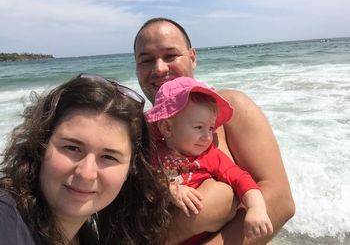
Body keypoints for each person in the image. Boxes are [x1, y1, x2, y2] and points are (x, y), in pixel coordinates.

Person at [134, 17, 295, 244]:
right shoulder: (133, 130)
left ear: (192, 58)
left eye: (171, 56)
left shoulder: (233, 108)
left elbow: (280, 201)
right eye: (146, 60)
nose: (159, 68)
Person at [0, 73, 170, 245]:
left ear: (131, 170)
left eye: (108, 157)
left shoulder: (90, 236)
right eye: (72, 148)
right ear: (40, 147)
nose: (86, 173)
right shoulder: (7, 220)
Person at [146, 77, 273, 243]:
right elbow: (141, 183)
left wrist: (256, 208)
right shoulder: (152, 153)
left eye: (211, 128)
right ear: (167, 128)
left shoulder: (210, 155)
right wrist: (170, 189)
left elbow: (241, 179)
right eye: (199, 127)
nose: (207, 136)